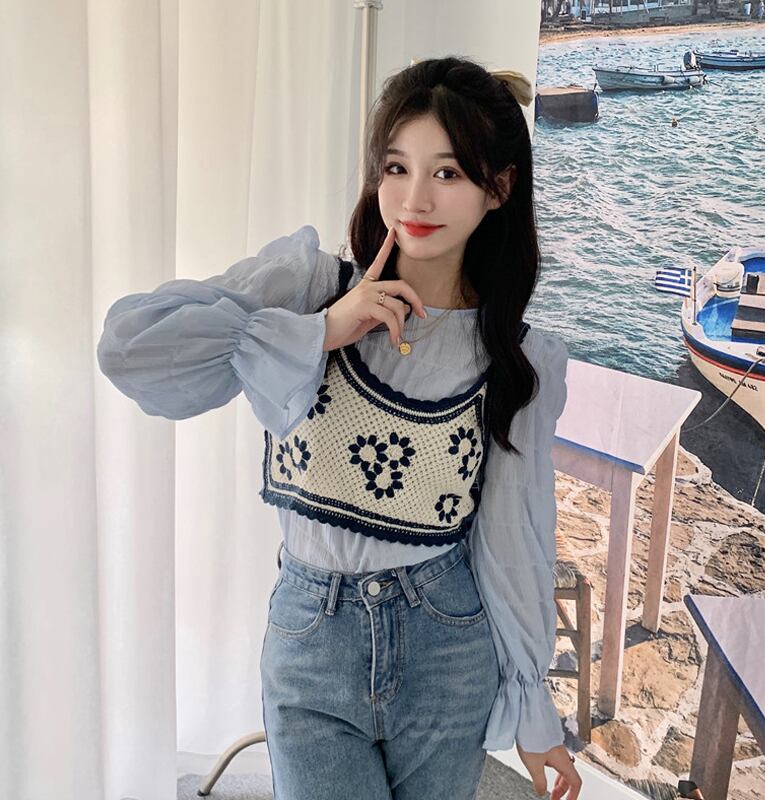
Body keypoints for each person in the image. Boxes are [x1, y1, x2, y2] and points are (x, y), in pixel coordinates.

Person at [96, 56, 580, 800]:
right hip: (311, 641)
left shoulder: (517, 359)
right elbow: (132, 349)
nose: (415, 198)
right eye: (397, 167)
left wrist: (533, 709)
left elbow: (514, 536)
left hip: (448, 646)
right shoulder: (308, 290)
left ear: (499, 186)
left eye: (448, 173)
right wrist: (321, 331)